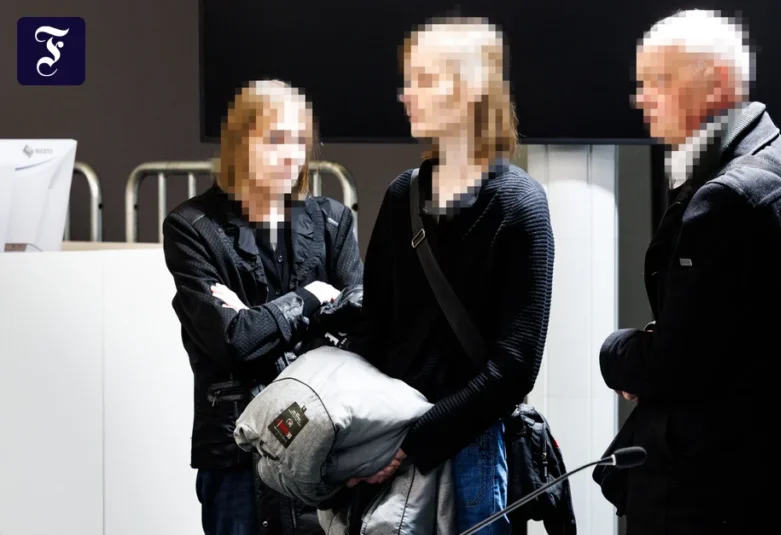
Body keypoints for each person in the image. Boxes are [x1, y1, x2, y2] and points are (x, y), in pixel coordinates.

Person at [598, 10, 781, 534]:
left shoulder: (726, 197)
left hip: (712, 497)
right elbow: (735, 331)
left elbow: (676, 366)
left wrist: (616, 352)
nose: (641, 99)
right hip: (770, 482)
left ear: (717, 82)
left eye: (658, 81)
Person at [347, 18, 555, 535]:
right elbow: (373, 327)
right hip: (389, 438)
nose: (405, 95)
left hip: (471, 450)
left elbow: (514, 367)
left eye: (423, 79)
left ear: (470, 90)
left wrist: (413, 443)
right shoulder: (403, 195)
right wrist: (364, 434)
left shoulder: (520, 205)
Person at [162, 79, 364, 535]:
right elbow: (232, 342)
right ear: (239, 143)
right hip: (237, 452)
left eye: (298, 140)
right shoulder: (192, 227)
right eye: (274, 140)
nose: (290, 155)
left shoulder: (332, 220)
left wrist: (257, 319)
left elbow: (359, 332)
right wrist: (311, 298)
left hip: (322, 444)